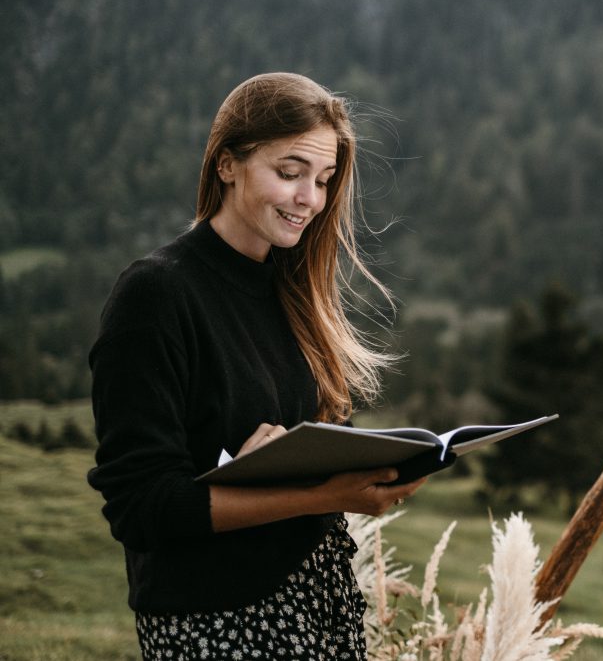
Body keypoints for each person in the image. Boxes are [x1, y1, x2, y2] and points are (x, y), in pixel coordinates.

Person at [87, 72, 426, 660]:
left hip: (319, 601)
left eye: (322, 182)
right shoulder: (156, 295)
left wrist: (374, 467)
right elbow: (141, 507)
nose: (309, 200)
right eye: (289, 174)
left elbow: (313, 442)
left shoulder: (291, 292)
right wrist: (316, 493)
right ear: (226, 164)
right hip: (217, 621)